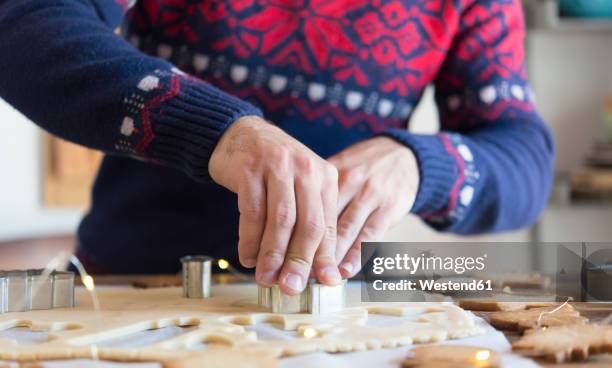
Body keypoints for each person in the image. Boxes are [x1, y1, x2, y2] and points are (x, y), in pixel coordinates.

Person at [0, 0, 554, 294]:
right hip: (124, 289)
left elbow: (523, 153)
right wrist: (218, 130)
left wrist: (419, 164)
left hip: (336, 316)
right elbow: (25, 19)